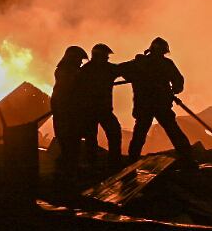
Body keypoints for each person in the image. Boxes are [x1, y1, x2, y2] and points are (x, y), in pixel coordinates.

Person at [123, 37, 194, 165]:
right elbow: (178, 81)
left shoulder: (140, 63)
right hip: (156, 105)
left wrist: (173, 90)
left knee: (141, 134)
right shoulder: (160, 64)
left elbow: (178, 80)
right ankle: (188, 158)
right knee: (172, 132)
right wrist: (174, 90)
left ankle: (132, 160)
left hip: (149, 105)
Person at [76, 43, 124, 165]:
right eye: (106, 56)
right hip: (101, 111)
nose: (108, 58)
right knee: (114, 133)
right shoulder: (107, 69)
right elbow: (123, 68)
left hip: (89, 111)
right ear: (100, 56)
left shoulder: (85, 70)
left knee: (91, 139)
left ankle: (92, 164)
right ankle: (114, 163)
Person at [50, 46, 89, 174]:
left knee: (71, 143)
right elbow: (72, 91)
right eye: (79, 60)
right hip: (66, 114)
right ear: (73, 59)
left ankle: (68, 169)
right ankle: (66, 173)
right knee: (68, 143)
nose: (81, 62)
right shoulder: (65, 73)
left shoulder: (67, 71)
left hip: (68, 113)